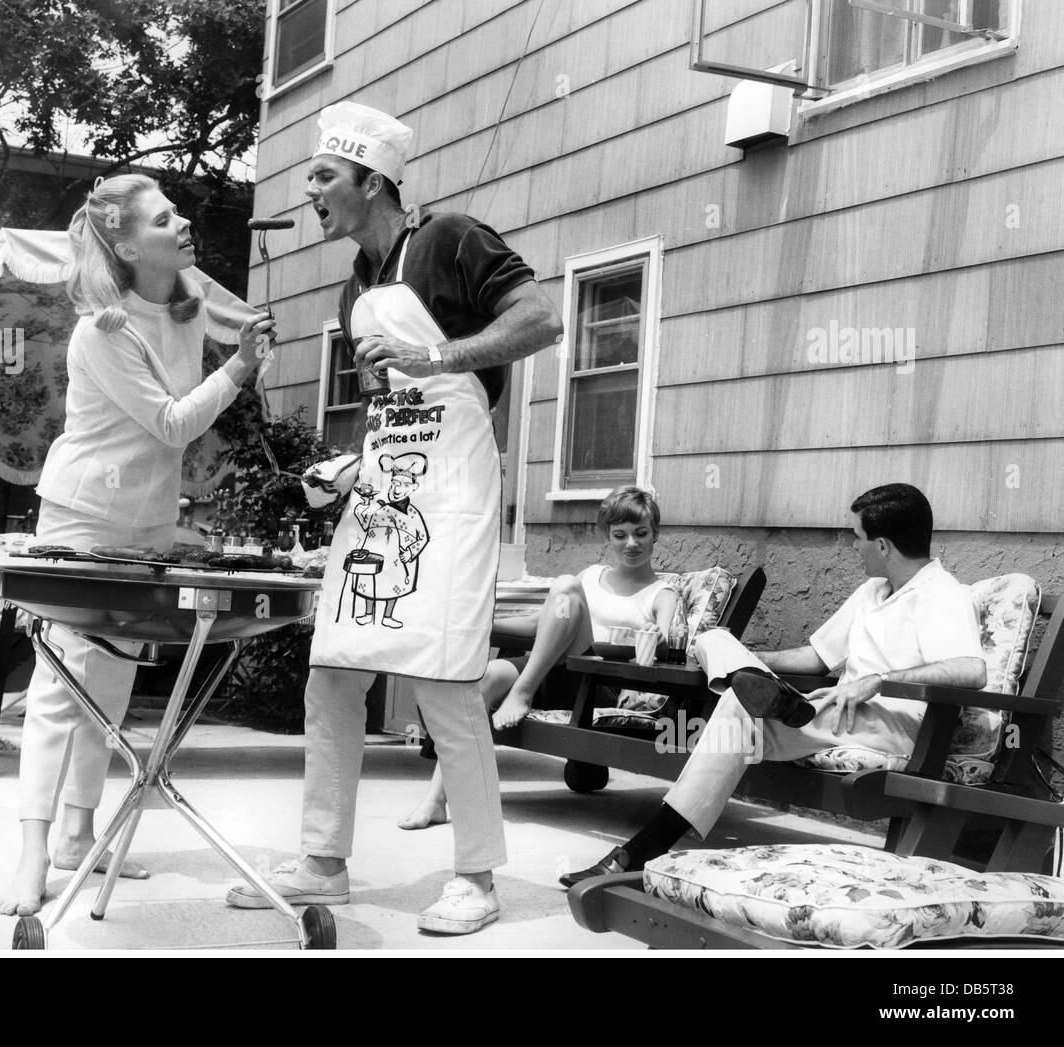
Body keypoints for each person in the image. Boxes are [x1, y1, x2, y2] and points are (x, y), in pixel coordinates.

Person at [226, 101, 563, 934]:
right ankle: (323, 861)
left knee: (444, 679)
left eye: (324, 177)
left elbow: (541, 320)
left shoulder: (452, 238)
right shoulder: (354, 291)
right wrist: (341, 470)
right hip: (388, 488)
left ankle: (478, 876)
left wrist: (439, 353)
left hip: (456, 488)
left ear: (373, 181)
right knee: (334, 667)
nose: (310, 191)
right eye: (309, 176)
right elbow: (391, 408)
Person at [0, 174, 274, 917]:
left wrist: (241, 360)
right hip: (83, 515)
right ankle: (31, 854)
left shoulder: (187, 314)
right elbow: (175, 423)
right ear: (123, 244)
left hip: (147, 517)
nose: (181, 222)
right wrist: (238, 369)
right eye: (162, 218)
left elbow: (189, 416)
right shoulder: (101, 330)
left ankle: (79, 831)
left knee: (112, 686)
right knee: (62, 689)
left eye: (175, 211)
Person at [558, 482, 987, 887]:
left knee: (734, 710)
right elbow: (816, 657)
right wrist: (750, 659)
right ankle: (760, 688)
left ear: (882, 544)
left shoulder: (941, 594)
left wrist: (877, 680)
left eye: (857, 537)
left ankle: (640, 851)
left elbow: (972, 670)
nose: (853, 546)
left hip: (895, 724)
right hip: (832, 711)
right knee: (714, 640)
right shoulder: (873, 590)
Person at [399, 485, 679, 831]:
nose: (631, 544)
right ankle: (435, 800)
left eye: (641, 534)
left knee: (564, 586)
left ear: (656, 536)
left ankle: (522, 690)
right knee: (479, 682)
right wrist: (482, 626)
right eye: (620, 535)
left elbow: (665, 643)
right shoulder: (590, 576)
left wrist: (652, 639)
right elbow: (540, 625)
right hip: (550, 669)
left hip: (593, 684)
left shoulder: (661, 592)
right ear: (608, 536)